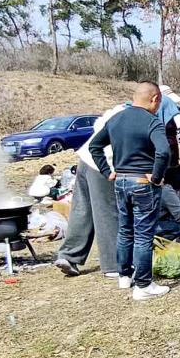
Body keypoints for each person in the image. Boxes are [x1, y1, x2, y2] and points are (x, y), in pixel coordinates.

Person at [90, 81, 172, 301]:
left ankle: (124, 275)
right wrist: (156, 177)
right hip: (143, 183)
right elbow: (164, 152)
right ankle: (143, 285)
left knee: (125, 230)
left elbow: (94, 146)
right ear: (155, 99)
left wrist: (107, 170)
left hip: (121, 181)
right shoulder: (152, 122)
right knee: (144, 235)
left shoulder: (115, 119)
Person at [54, 102, 125, 278]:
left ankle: (69, 256)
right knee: (107, 212)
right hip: (104, 164)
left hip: (85, 159)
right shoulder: (142, 115)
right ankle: (113, 265)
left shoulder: (120, 109)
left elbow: (98, 124)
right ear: (155, 100)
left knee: (81, 210)